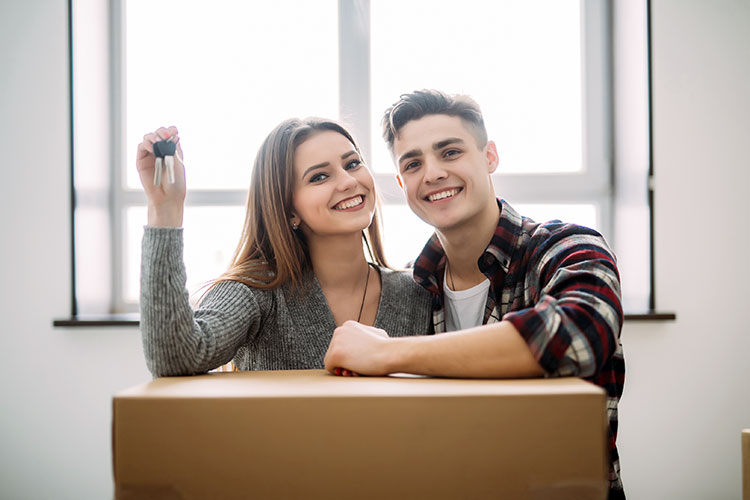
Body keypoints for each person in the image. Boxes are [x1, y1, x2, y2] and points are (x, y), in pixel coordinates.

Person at [323, 90, 626, 497]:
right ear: (402, 183)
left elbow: (578, 334)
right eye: (413, 164)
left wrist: (387, 353)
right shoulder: (414, 286)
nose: (431, 174)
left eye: (449, 152)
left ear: (490, 157)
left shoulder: (564, 247)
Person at [137, 118, 432, 377]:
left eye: (352, 163)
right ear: (289, 210)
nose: (348, 181)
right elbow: (173, 358)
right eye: (319, 176)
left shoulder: (418, 291)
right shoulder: (256, 292)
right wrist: (165, 207)